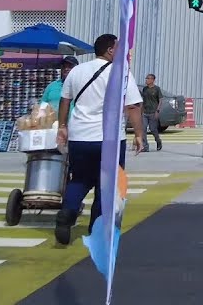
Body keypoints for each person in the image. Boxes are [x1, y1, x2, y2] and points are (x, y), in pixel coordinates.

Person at [55, 33, 146, 245]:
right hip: (111, 140)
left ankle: (66, 214)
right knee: (107, 187)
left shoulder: (76, 71)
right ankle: (96, 230)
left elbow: (65, 100)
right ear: (110, 50)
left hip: (80, 138)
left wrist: (62, 126)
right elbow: (132, 106)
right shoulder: (120, 73)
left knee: (79, 179)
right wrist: (139, 135)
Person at [140, 73, 164, 152]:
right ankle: (145, 146)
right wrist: (141, 111)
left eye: (148, 78)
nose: (146, 80)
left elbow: (160, 100)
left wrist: (157, 111)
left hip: (153, 112)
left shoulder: (157, 89)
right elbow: (143, 101)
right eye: (146, 78)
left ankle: (158, 141)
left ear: (152, 80)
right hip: (145, 112)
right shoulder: (145, 89)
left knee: (153, 129)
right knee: (143, 129)